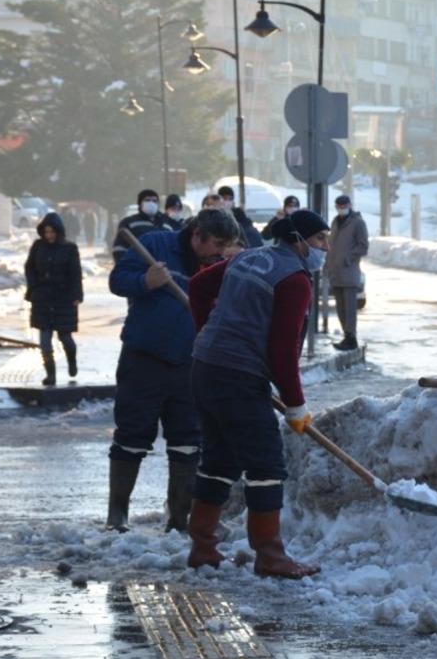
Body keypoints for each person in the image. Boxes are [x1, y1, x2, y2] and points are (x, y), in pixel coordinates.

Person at [186, 210, 330, 579]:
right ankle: (270, 554)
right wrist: (296, 405)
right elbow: (282, 351)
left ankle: (202, 547)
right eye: (319, 240)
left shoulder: (247, 257)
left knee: (219, 458)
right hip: (236, 374)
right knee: (266, 464)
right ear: (297, 239)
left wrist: (211, 332)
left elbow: (200, 287)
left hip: (205, 365)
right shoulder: (294, 279)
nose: (324, 248)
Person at [106, 209, 242, 534]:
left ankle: (179, 520)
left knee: (187, 441)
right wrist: (146, 281)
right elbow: (117, 281)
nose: (221, 251)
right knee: (132, 436)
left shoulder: (221, 266)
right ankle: (117, 516)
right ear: (197, 235)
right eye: (217, 244)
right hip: (144, 359)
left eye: (227, 245)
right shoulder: (156, 245)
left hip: (191, 364)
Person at [25, 212, 83, 386]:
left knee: (65, 337)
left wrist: (77, 295)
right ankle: (51, 374)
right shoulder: (38, 246)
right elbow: (30, 268)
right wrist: (34, 288)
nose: (49, 235)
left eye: (52, 232)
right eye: (46, 231)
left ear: (59, 231)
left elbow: (75, 273)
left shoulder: (70, 248)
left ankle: (72, 360)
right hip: (42, 298)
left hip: (63, 298)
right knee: (44, 340)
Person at [326, 194, 368, 350]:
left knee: (350, 309)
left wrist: (347, 258)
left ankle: (351, 338)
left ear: (350, 206)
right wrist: (328, 263)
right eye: (339, 207)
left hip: (349, 272)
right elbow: (331, 244)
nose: (341, 209)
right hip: (335, 272)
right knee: (340, 308)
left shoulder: (357, 223)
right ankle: (346, 336)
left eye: (344, 206)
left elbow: (363, 247)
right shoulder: (336, 222)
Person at [112, 189, 173, 264]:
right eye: (147, 200)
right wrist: (124, 267)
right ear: (140, 203)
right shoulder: (129, 223)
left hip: (163, 269)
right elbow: (119, 248)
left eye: (154, 201)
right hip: (137, 269)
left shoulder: (166, 225)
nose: (151, 203)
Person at [217, 185, 264, 249]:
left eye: (230, 199)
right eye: (225, 198)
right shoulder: (214, 217)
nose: (227, 201)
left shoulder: (240, 217)